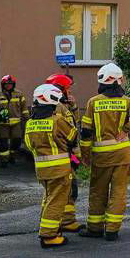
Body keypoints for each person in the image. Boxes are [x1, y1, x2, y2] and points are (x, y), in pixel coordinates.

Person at [79, 63, 130, 241]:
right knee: (119, 192)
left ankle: (94, 228)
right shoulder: (127, 101)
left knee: (98, 192)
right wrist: (126, 128)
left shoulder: (93, 102)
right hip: (123, 154)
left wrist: (84, 155)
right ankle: (112, 230)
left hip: (102, 157)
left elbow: (86, 132)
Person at [24, 84, 82, 249]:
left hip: (41, 170)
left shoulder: (30, 123)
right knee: (57, 201)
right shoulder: (57, 120)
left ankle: (49, 228)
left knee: (48, 199)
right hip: (60, 169)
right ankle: (49, 236)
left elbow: (29, 145)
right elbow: (72, 136)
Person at [45, 73, 80, 218]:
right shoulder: (56, 107)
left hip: (67, 154)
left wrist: (74, 106)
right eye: (68, 89)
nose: (70, 92)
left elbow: (74, 122)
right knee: (68, 189)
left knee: (70, 189)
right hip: (64, 154)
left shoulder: (62, 105)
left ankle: (68, 220)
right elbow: (68, 130)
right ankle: (64, 221)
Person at [0, 75, 29, 167]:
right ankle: (4, 161)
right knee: (3, 142)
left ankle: (12, 156)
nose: (8, 86)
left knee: (17, 140)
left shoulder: (19, 94)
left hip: (16, 123)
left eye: (10, 84)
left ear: (13, 85)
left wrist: (27, 118)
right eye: (6, 84)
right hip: (3, 123)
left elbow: (24, 107)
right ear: (3, 85)